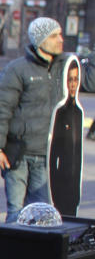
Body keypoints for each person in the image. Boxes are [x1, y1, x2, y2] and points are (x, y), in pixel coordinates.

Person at [0, 17, 67, 222]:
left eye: (60, 34)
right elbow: (1, 109)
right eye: (54, 35)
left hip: (46, 154)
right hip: (19, 154)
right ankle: (12, 252)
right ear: (40, 40)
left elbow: (89, 81)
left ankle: (35, 253)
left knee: (42, 212)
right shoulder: (17, 69)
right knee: (16, 212)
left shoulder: (64, 67)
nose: (61, 39)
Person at [49, 57, 83, 217]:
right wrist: (55, 188)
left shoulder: (79, 112)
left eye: (76, 80)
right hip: (60, 186)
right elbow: (53, 153)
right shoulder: (61, 112)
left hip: (74, 186)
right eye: (70, 79)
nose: (73, 84)